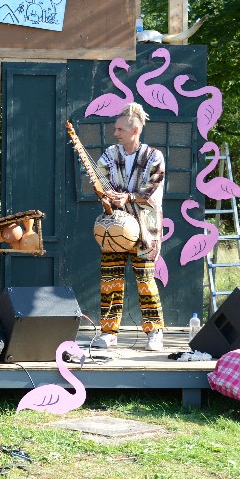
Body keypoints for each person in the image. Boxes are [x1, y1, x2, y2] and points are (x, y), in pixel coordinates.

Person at [94, 103, 166, 350]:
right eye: (115, 129)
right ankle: (109, 332)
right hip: (114, 227)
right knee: (109, 281)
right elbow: (99, 178)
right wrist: (103, 195)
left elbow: (152, 188)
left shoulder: (154, 156)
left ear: (135, 129)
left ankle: (155, 332)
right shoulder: (109, 154)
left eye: (120, 129)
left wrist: (127, 197)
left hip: (145, 229)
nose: (115, 133)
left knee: (146, 281)